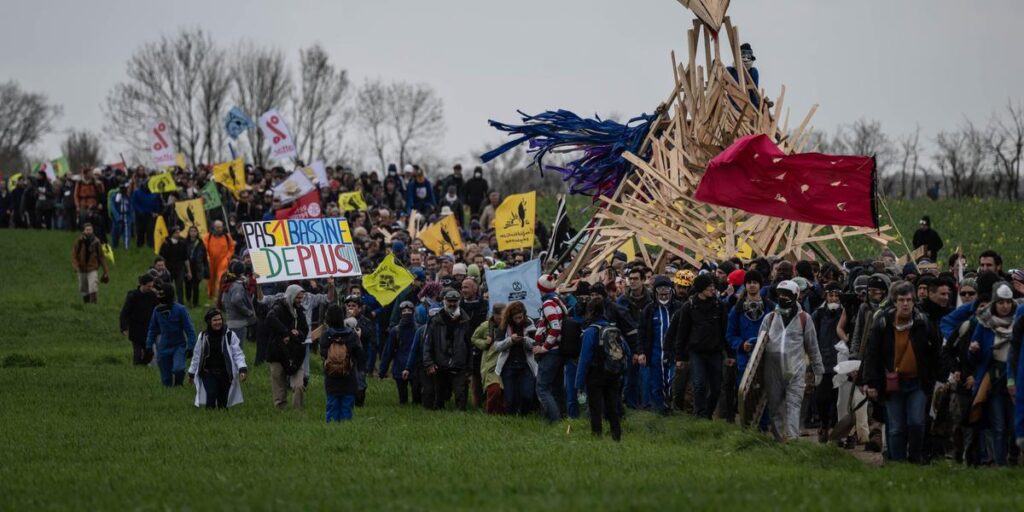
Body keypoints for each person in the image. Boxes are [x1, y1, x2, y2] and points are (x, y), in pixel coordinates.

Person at [862, 282, 941, 463]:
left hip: (918, 383)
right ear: (894, 302)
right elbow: (872, 354)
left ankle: (914, 458)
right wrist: (871, 382)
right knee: (896, 427)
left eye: (908, 300)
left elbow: (935, 353)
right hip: (892, 383)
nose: (905, 304)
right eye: (901, 300)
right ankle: (897, 462)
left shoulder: (923, 323)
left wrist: (934, 379)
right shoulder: (882, 324)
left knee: (916, 422)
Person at [757, 280, 824, 441]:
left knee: (794, 404)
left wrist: (818, 369)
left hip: (795, 369)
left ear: (795, 296)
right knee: (776, 408)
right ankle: (780, 441)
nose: (782, 298)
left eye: (786, 295)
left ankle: (793, 440)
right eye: (780, 294)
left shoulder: (804, 319)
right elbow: (760, 345)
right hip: (773, 369)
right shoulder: (770, 317)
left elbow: (812, 346)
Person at [965, 281, 1015, 466]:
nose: (1005, 306)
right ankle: (1000, 463)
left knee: (1014, 424)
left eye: (1008, 302)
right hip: (993, 380)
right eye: (1001, 302)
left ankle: (1014, 459)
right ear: (995, 303)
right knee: (998, 425)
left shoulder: (1019, 322)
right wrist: (974, 350)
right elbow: (972, 358)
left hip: (1015, 379)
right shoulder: (984, 323)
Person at [675, 273, 731, 419]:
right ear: (701, 288)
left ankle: (708, 412)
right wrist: (680, 356)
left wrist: (730, 354)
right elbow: (682, 332)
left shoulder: (720, 306)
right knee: (698, 384)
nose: (713, 289)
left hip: (715, 351)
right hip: (696, 352)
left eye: (713, 286)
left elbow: (725, 330)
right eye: (709, 286)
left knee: (716, 387)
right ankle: (700, 414)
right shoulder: (689, 307)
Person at [575, 298, 630, 441]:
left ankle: (597, 436)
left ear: (590, 312)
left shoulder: (591, 331)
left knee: (595, 408)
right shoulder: (613, 330)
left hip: (595, 374)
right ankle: (616, 436)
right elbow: (627, 351)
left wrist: (579, 382)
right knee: (612, 407)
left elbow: (584, 358)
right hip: (613, 373)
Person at [187, 309, 248, 409]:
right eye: (215, 320)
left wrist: (242, 369)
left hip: (225, 373)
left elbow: (238, 353)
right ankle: (209, 419)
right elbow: (197, 356)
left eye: (220, 319)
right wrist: (191, 373)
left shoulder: (229, 335)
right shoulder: (203, 336)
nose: (218, 322)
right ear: (209, 322)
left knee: (223, 403)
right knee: (211, 394)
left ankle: (221, 419)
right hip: (208, 372)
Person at [422, 290, 472, 410]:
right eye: (450, 301)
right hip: (440, 365)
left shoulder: (465, 320)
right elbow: (427, 344)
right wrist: (429, 363)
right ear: (444, 301)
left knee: (461, 394)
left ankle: (462, 419)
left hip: (459, 365)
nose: (452, 304)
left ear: (459, 302)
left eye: (455, 301)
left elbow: (470, 345)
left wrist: (469, 368)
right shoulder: (435, 320)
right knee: (439, 398)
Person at [639, 275, 681, 414]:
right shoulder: (649, 310)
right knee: (656, 383)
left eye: (666, 289)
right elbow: (642, 332)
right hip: (655, 352)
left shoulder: (679, 308)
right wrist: (642, 352)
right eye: (660, 289)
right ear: (655, 292)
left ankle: (673, 408)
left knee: (673, 381)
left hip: (675, 353)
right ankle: (659, 411)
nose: (663, 293)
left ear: (671, 291)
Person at [266, 285, 310, 410]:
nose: (300, 300)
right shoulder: (278, 308)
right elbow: (269, 319)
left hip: (295, 353)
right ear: (291, 295)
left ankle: (297, 409)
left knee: (299, 385)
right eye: (298, 298)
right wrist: (286, 332)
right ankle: (281, 409)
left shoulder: (299, 311)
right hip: (277, 351)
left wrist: (298, 334)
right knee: (279, 382)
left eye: (301, 298)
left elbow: (305, 330)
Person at [145, 286, 197, 387]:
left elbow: (189, 329)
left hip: (179, 346)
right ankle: (169, 392)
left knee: (178, 368)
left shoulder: (180, 310)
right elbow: (152, 329)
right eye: (158, 294)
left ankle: (179, 385)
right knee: (166, 380)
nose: (159, 297)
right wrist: (148, 346)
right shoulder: (157, 310)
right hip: (163, 347)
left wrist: (191, 347)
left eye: (162, 294)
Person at [320, 304, 364, 422]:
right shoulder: (351, 334)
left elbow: (323, 353)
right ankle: (345, 430)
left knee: (332, 404)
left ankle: (332, 429)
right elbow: (359, 354)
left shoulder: (326, 335)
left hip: (331, 375)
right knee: (346, 406)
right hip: (348, 375)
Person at [812, 282, 844, 443]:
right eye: (831, 295)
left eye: (837, 295)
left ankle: (836, 430)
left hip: (841, 361)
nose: (834, 298)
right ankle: (824, 425)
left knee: (839, 398)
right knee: (822, 398)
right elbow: (812, 336)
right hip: (823, 361)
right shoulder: (818, 314)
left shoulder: (846, 312)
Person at [533, 274, 567, 423]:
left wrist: (545, 347)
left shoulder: (548, 304)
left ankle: (554, 420)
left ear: (540, 289)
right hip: (559, 350)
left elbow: (555, 328)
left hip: (552, 351)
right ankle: (562, 415)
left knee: (542, 387)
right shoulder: (559, 300)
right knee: (556, 387)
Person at [494, 301, 538, 416]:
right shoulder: (503, 325)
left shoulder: (530, 323)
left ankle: (524, 415)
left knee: (527, 395)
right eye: (516, 318)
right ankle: (511, 418)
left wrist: (524, 340)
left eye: (520, 317)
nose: (519, 320)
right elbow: (497, 346)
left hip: (526, 364)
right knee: (510, 397)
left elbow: (536, 344)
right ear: (510, 317)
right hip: (508, 365)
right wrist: (510, 340)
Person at [379, 301, 419, 405]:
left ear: (413, 312)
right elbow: (388, 351)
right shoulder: (395, 331)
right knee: (403, 397)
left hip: (415, 366)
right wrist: (382, 371)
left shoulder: (418, 329)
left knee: (417, 395)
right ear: (400, 314)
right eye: (404, 311)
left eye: (409, 310)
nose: (407, 313)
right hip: (399, 366)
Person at [472, 303, 506, 415]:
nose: (501, 319)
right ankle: (490, 412)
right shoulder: (485, 326)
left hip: (506, 360)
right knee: (494, 389)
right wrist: (484, 343)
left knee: (504, 391)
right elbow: (474, 338)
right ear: (494, 315)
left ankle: (501, 413)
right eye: (499, 317)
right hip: (491, 362)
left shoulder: (509, 324)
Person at [120, 274, 159, 365]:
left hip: (148, 328)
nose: (150, 288)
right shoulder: (133, 296)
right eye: (149, 286)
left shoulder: (152, 295)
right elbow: (125, 312)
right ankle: (137, 367)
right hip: (135, 328)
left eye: (151, 286)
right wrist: (124, 327)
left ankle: (143, 365)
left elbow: (158, 308)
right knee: (137, 351)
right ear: (142, 284)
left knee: (150, 353)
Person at [221, 261, 256, 350]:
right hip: (238, 322)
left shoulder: (228, 284)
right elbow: (236, 300)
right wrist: (248, 312)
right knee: (238, 349)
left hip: (230, 320)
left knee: (231, 348)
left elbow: (223, 300)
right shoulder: (237, 286)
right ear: (241, 272)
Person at [71, 223, 109, 304]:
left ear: (93, 231)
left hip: (92, 268)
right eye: (87, 230)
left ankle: (93, 303)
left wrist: (105, 271)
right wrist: (75, 266)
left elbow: (101, 257)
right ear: (83, 231)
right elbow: (74, 255)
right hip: (81, 268)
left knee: (93, 285)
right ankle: (86, 302)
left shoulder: (96, 242)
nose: (88, 231)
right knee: (83, 287)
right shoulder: (79, 241)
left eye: (90, 230)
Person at [204, 220, 236, 300]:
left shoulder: (227, 236)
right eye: (217, 227)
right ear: (213, 227)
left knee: (221, 277)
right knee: (211, 278)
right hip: (211, 260)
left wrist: (228, 257)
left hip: (223, 260)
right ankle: (210, 294)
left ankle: (220, 295)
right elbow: (204, 248)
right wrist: (207, 256)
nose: (219, 229)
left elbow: (231, 248)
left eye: (220, 227)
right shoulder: (208, 236)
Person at [159, 230, 191, 304]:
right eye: (176, 233)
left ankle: (180, 303)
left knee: (180, 286)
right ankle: (169, 301)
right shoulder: (165, 244)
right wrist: (163, 268)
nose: (178, 234)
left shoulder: (182, 244)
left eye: (178, 233)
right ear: (172, 234)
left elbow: (186, 258)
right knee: (168, 286)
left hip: (180, 268)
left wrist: (189, 271)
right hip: (168, 268)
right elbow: (161, 258)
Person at [184, 226, 207, 307]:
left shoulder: (201, 243)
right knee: (188, 285)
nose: (193, 233)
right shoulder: (185, 242)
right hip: (187, 267)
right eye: (191, 231)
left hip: (197, 267)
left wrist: (205, 268)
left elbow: (204, 257)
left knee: (196, 286)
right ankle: (188, 300)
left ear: (197, 233)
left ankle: (195, 302)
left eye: (194, 231)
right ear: (189, 232)